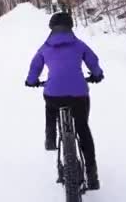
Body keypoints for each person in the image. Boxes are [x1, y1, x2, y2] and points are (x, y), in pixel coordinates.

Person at [24, 12, 104, 190]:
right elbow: (93, 62)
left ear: (52, 28)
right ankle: (92, 177)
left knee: (50, 106)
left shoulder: (45, 47)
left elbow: (34, 66)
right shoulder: (79, 45)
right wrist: (97, 75)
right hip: (78, 95)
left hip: (54, 94)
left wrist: (32, 81)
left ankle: (51, 139)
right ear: (70, 27)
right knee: (83, 128)